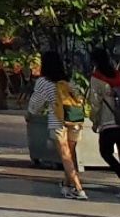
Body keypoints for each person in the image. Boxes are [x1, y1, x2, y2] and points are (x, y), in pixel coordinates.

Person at [28, 50, 88, 200]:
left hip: (58, 122)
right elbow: (79, 97)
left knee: (65, 156)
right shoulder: (67, 80)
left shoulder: (43, 82)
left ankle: (78, 188)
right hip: (74, 121)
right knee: (71, 155)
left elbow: (35, 105)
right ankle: (67, 185)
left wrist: (31, 113)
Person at [90, 48, 120, 197]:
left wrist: (94, 121)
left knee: (105, 152)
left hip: (109, 123)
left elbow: (95, 103)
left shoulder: (96, 78)